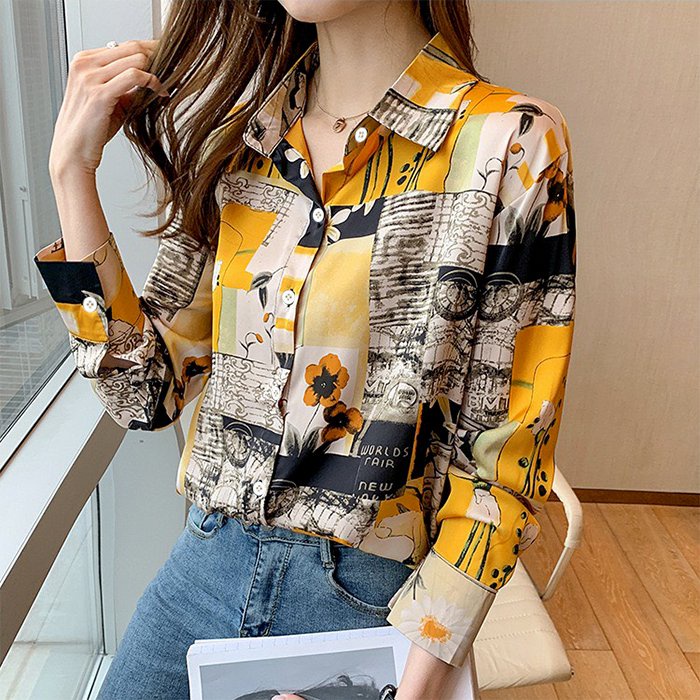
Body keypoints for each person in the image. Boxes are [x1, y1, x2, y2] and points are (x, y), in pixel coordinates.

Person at [35, 0, 577, 698]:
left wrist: (410, 686)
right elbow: (144, 393)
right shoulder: (243, 144)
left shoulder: (511, 141)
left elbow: (501, 465)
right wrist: (72, 173)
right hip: (202, 571)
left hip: (369, 605)